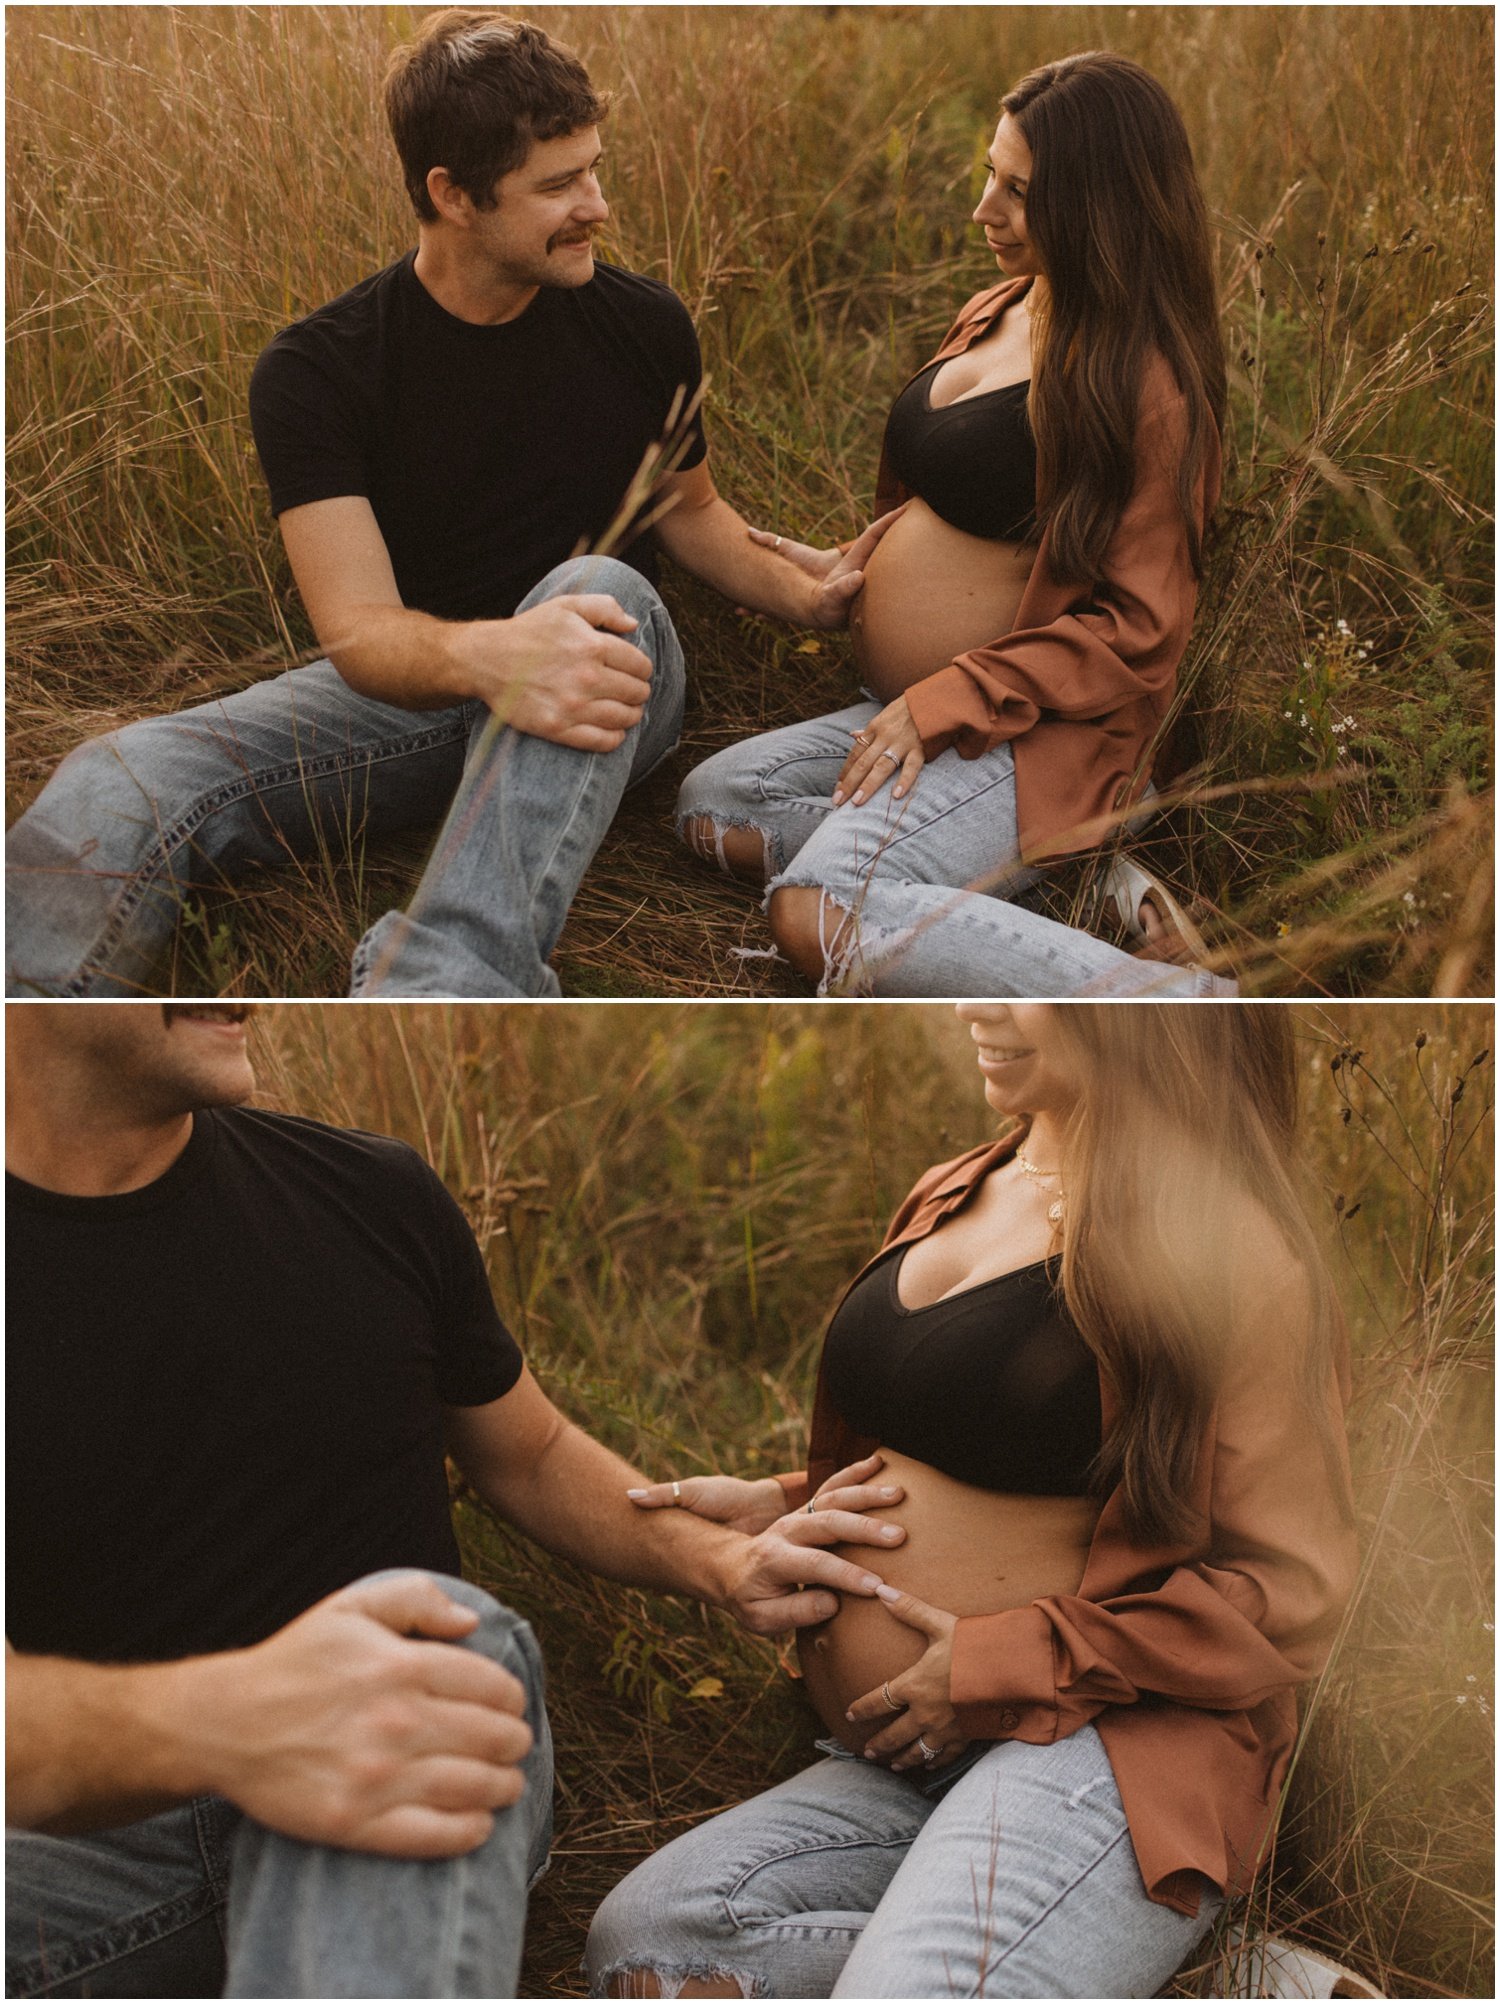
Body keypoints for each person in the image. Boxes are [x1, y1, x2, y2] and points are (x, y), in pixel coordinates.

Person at [4, 1002, 903, 1999]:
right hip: (81, 1847)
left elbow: (530, 1454)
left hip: (407, 1749)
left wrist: (722, 1563)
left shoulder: (367, 1192)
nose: (240, 981)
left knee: (456, 1642)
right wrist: (231, 1723)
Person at [3, 10, 891, 1000]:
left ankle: (444, 974)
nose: (596, 204)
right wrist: (489, 658)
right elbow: (359, 633)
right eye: (558, 186)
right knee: (118, 775)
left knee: (593, 590)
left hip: (610, 680)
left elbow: (691, 513)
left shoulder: (644, 326)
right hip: (421, 697)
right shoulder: (318, 371)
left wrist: (805, 593)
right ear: (452, 195)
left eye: (593, 169)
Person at [586, 1002, 1359, 1998]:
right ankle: (1177, 1981)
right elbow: (966, 1440)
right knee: (657, 1948)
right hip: (909, 1760)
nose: (975, 1003)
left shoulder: (1227, 1251)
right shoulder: (959, 1184)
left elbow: (1288, 1591)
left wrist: (1006, 1659)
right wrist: (788, 1501)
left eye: (1026, 984)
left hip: (1103, 1749)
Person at [677, 53, 1235, 997]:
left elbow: (1141, 633)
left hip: (1041, 738)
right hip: (925, 718)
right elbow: (960, 502)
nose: (985, 209)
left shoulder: (1148, 387)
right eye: (991, 173)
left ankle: (1179, 996)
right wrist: (867, 563)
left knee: (818, 908)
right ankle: (1080, 881)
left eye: (1019, 192)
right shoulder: (1001, 307)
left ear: (1099, 206)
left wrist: (947, 697)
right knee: (714, 805)